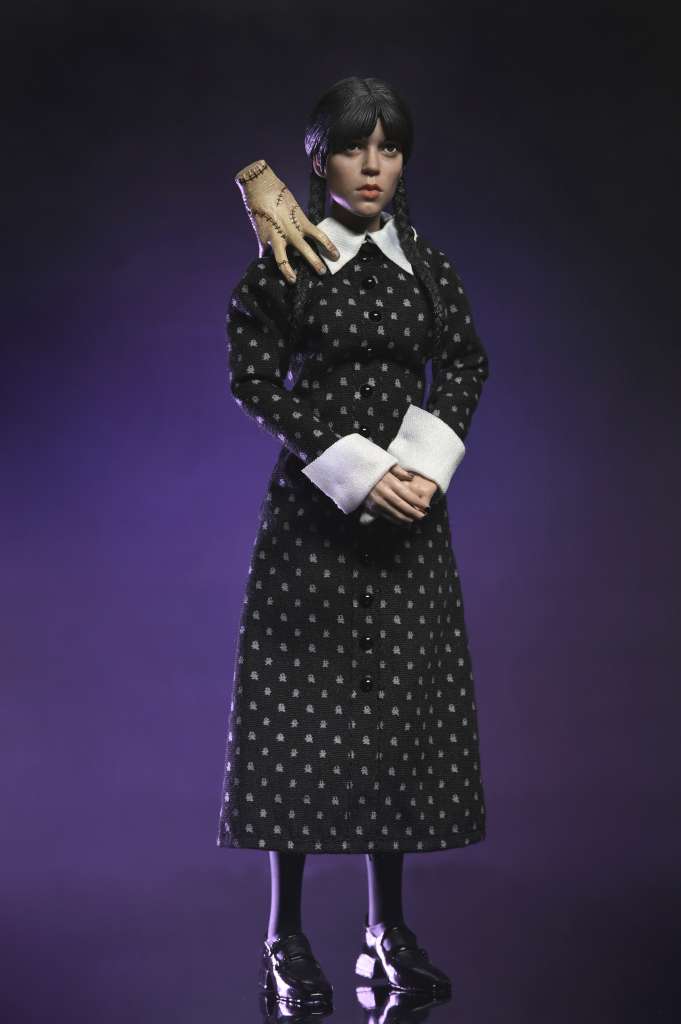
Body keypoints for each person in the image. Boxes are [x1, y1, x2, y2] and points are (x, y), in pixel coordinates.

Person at [218, 75, 491, 1010]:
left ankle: (385, 931)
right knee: (293, 724)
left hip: (410, 524)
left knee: (395, 724)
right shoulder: (287, 261)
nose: (371, 166)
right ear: (319, 159)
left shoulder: (427, 265)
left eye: (388, 148)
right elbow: (253, 375)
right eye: (351, 147)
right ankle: (284, 939)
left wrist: (423, 466)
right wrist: (352, 468)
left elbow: (465, 359)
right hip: (312, 524)